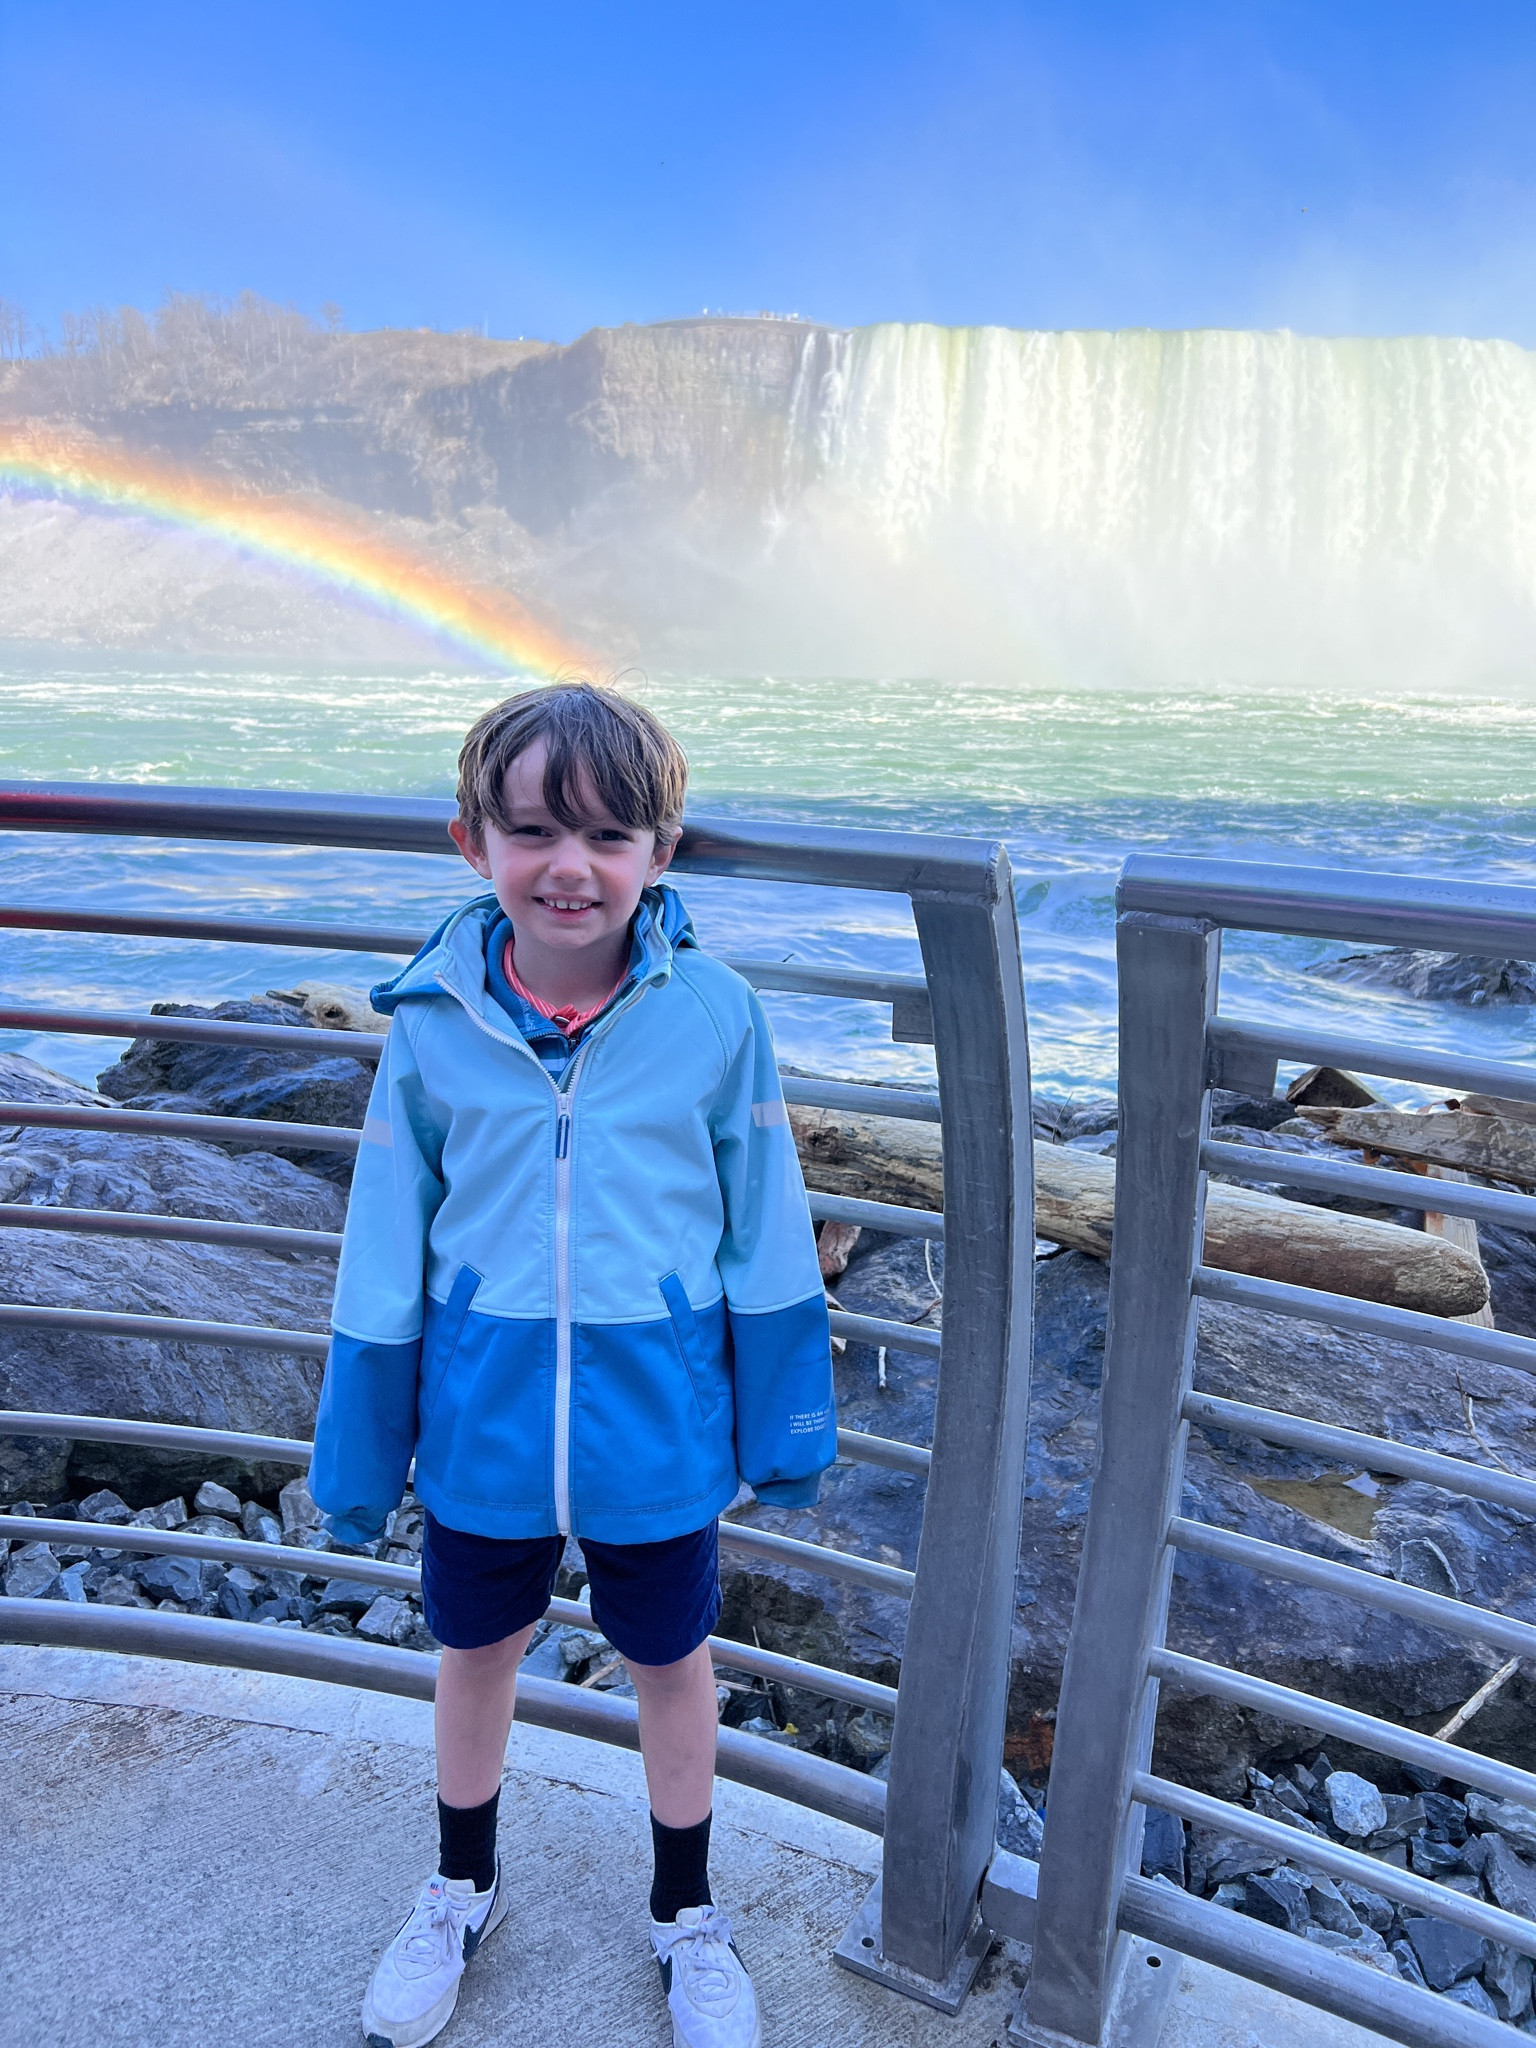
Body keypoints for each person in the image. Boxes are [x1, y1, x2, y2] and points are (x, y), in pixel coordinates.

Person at [309, 680, 836, 2048]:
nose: (571, 866)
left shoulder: (715, 1014)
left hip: (657, 1426)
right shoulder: (431, 1021)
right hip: (480, 1420)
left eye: (609, 834)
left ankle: (688, 1911)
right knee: (474, 1652)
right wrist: (360, 1444)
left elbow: (765, 1226)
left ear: (661, 851)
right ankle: (459, 1887)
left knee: (672, 1660)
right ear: (470, 842)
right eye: (535, 829)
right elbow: (385, 1240)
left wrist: (785, 1423)